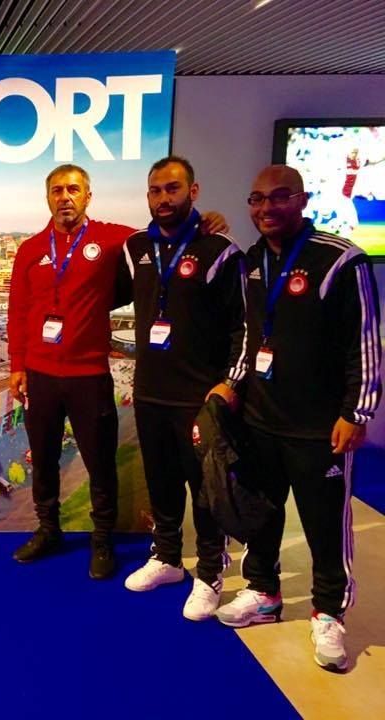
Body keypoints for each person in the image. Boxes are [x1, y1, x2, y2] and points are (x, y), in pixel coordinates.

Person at [8, 164, 228, 578]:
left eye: (74, 189)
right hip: (40, 374)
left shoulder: (116, 239)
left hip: (89, 374)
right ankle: (48, 529)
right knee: (45, 459)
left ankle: (102, 539)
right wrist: (17, 366)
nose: (65, 197)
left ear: (88, 196)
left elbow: (166, 234)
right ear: (48, 197)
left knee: (100, 463)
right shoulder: (30, 249)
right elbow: (18, 310)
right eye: (57, 190)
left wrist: (206, 222)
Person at [215, 165, 381, 673]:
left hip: (318, 426)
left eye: (279, 197)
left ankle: (329, 611)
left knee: (325, 525)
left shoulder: (340, 260)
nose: (266, 207)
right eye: (257, 199)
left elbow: (364, 342)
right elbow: (250, 336)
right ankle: (263, 591)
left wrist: (357, 411)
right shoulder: (252, 261)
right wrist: (232, 383)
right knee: (261, 514)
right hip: (261, 419)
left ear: (302, 200)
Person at [115, 156, 246, 620]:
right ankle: (168, 557)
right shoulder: (135, 247)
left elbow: (243, 326)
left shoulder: (220, 249)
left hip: (199, 397)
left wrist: (230, 383)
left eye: (172, 188)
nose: (163, 198)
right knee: (161, 482)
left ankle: (209, 572)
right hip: (150, 392)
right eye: (155, 190)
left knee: (205, 488)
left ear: (193, 191)